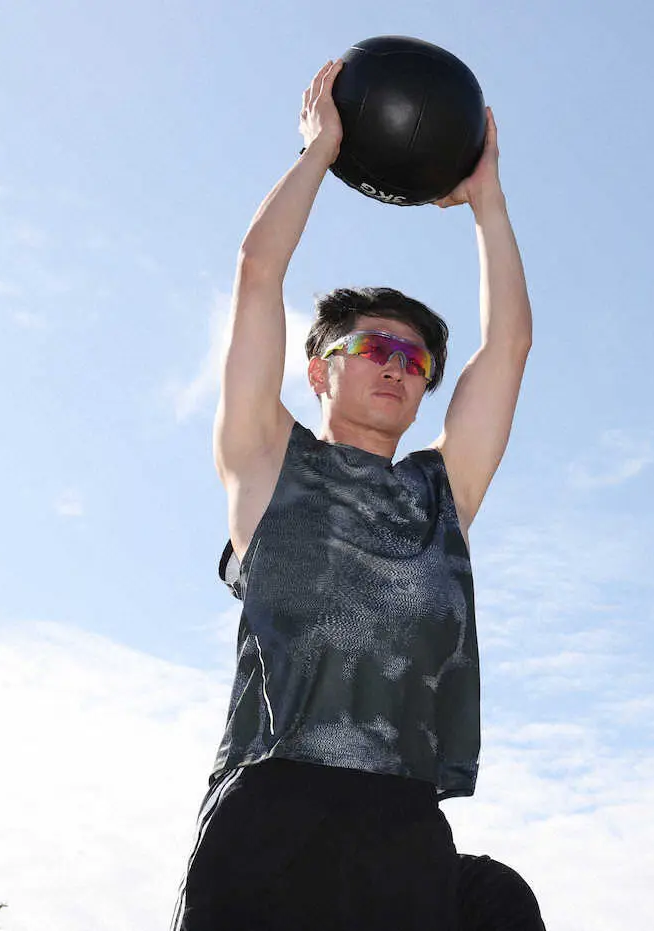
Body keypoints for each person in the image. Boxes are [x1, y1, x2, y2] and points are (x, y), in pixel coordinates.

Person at [171, 59, 534, 931]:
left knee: (499, 903)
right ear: (318, 370)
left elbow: (509, 345)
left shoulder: (441, 494)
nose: (397, 368)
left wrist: (488, 201)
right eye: (374, 347)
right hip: (271, 824)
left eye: (416, 362)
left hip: (402, 824)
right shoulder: (266, 461)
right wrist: (320, 152)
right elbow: (258, 271)